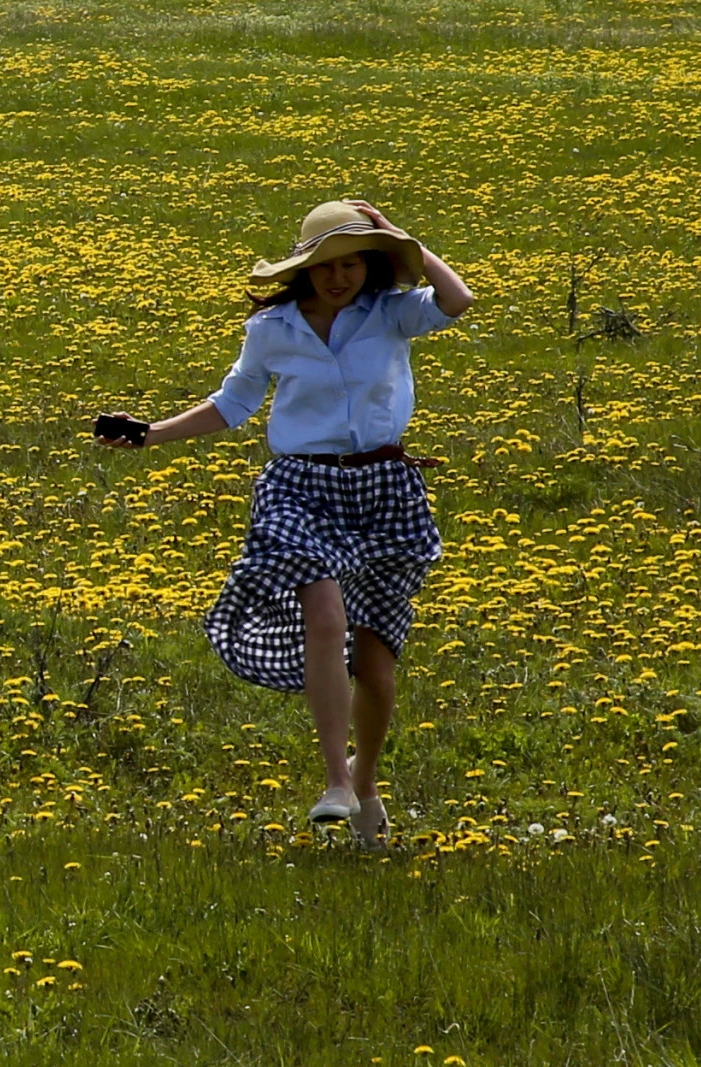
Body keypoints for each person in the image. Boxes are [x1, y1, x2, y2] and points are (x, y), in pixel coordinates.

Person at [95, 199, 473, 850]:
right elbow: (234, 402)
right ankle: (333, 780)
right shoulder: (274, 327)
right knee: (324, 616)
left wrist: (400, 238)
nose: (339, 278)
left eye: (353, 263)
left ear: (372, 264)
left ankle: (365, 781)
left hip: (384, 489)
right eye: (327, 265)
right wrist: (151, 434)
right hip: (300, 484)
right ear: (304, 268)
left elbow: (457, 299)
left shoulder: (392, 313)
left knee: (377, 666)